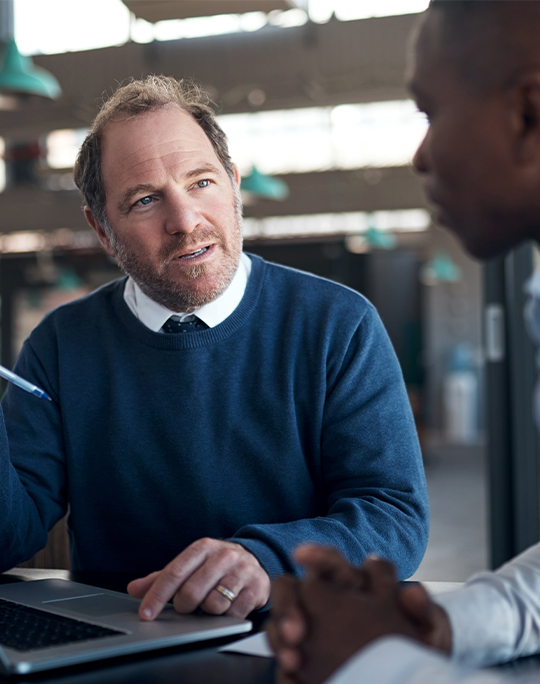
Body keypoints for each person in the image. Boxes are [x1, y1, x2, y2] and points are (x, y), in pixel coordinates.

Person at [0, 76, 429, 621]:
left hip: (296, 637)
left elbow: (394, 517)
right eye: (146, 200)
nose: (184, 222)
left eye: (201, 183)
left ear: (233, 185)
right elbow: (10, 540)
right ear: (103, 231)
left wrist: (265, 560)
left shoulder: (338, 325)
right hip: (119, 647)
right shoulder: (59, 345)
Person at [267, 1, 540, 684]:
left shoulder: (337, 321)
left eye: (428, 112)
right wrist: (441, 625)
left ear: (529, 114)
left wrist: (376, 676)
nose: (419, 157)